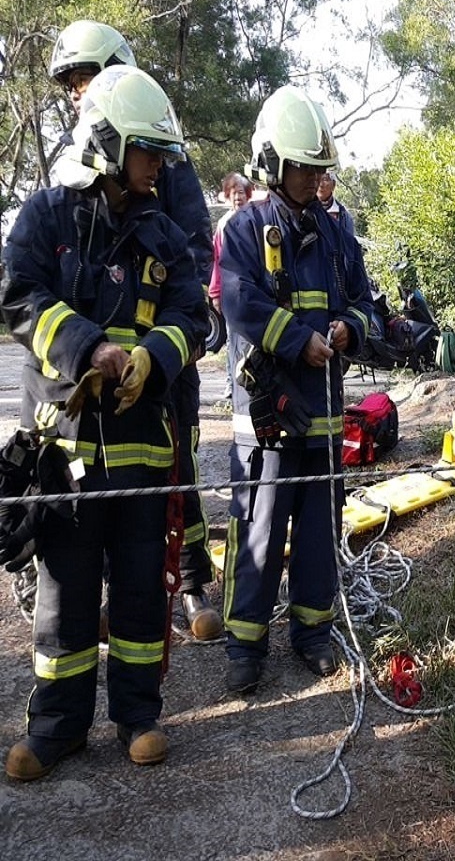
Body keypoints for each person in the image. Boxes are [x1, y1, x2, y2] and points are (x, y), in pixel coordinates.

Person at [0, 65, 207, 780]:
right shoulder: (48, 217)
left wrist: (153, 357)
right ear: (111, 145)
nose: (161, 166)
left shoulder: (165, 234)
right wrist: (89, 346)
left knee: (144, 590)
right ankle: (56, 728)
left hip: (145, 450)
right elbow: (19, 295)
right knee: (66, 591)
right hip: (66, 450)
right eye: (150, 152)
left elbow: (193, 316)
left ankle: (138, 717)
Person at [47, 20, 221, 639]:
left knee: (177, 466)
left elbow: (194, 249)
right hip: (94, 365)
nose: (79, 92)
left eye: (85, 76)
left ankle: (195, 584)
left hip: (160, 354)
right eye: (71, 84)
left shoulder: (160, 159)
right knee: (92, 481)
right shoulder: (70, 170)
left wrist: (164, 339)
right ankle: (112, 597)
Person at [219, 85, 372, 694]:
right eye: (303, 168)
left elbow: (366, 304)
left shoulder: (337, 236)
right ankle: (244, 644)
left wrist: (346, 329)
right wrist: (295, 339)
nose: (314, 179)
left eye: (319, 169)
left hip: (326, 418)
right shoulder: (245, 229)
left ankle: (312, 632)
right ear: (273, 164)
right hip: (269, 418)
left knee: (317, 529)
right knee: (257, 527)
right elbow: (237, 300)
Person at [210, 172, 253, 399]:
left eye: (241, 192)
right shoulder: (223, 224)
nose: (238, 196)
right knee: (231, 337)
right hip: (230, 292)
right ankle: (232, 384)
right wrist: (215, 293)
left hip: (253, 290)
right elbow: (216, 260)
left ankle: (252, 380)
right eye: (233, 192)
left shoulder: (257, 219)